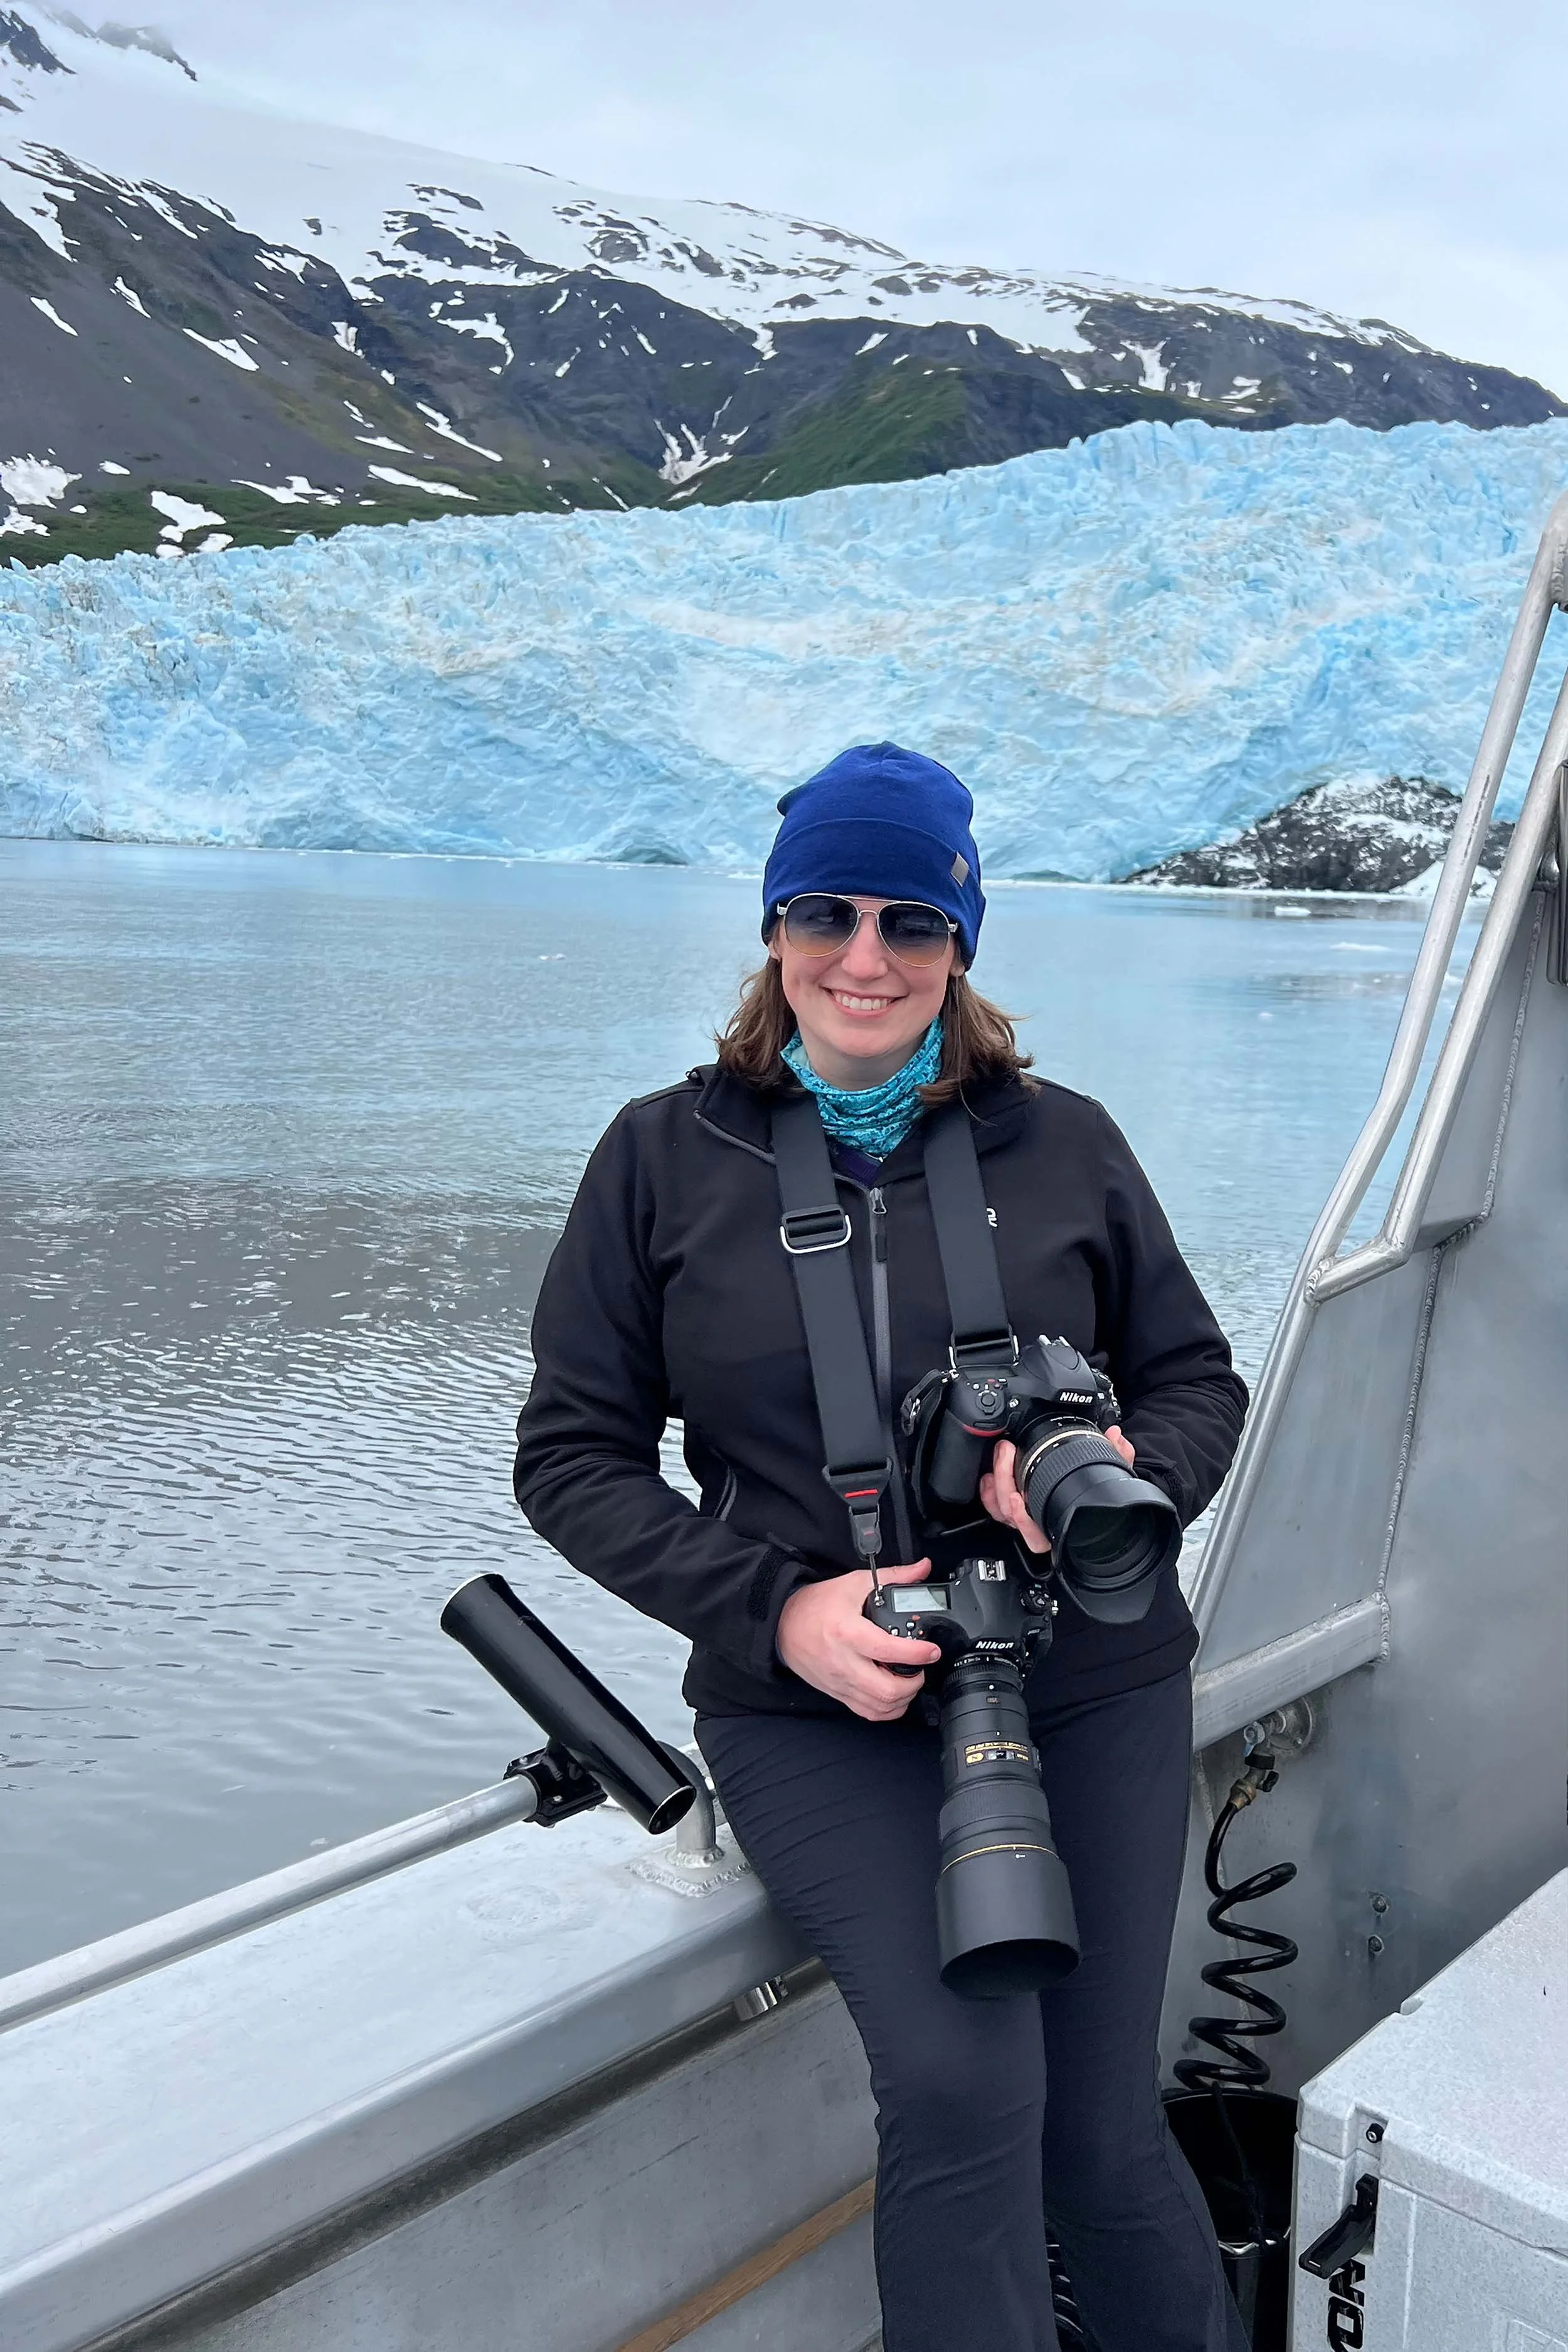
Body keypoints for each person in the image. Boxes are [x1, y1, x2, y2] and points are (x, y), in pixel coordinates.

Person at [514, 741, 1251, 2352]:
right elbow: (569, 1459)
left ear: (960, 945)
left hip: (1089, 1678)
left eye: (908, 922)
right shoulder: (660, 1157)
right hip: (819, 1710)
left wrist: (1127, 1466)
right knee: (959, 2080)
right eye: (825, 914)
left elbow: (1199, 1382)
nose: (863, 957)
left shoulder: (1066, 1144)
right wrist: (776, 1610)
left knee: (1099, 2124)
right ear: (772, 932)